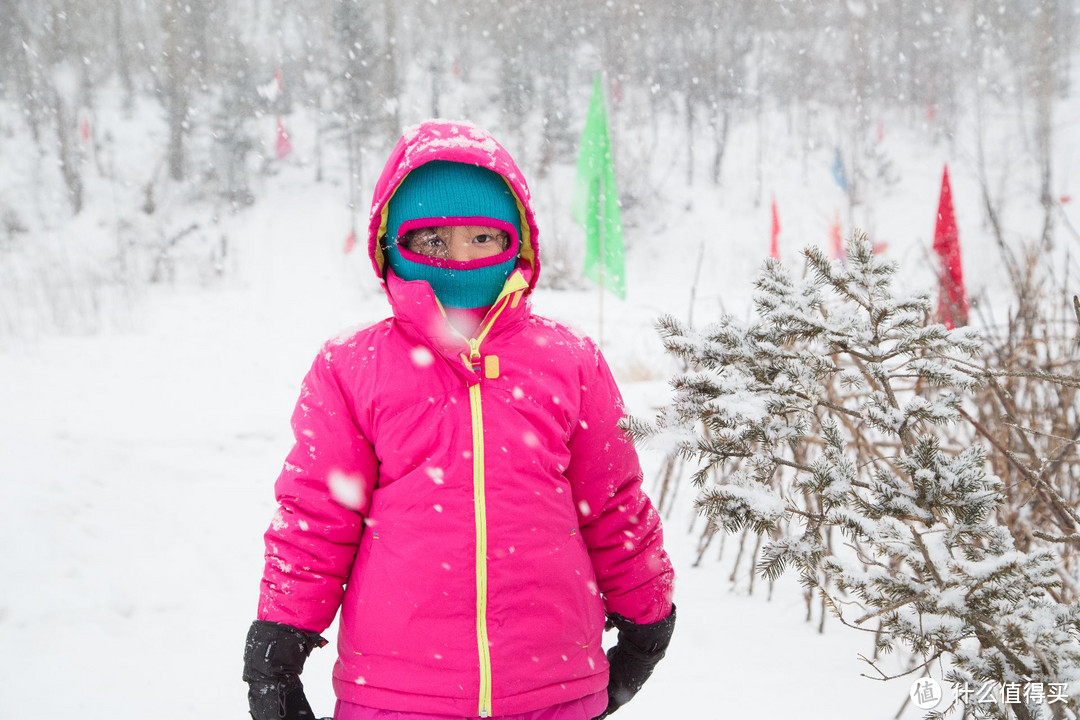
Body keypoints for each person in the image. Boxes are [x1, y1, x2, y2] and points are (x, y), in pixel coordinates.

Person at [242, 120, 675, 720]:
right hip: (396, 692)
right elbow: (316, 516)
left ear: (517, 244)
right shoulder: (352, 367)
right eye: (433, 242)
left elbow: (611, 503)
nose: (461, 258)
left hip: (553, 687)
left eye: (480, 237)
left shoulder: (569, 361)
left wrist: (646, 611)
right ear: (392, 247)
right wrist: (279, 640)